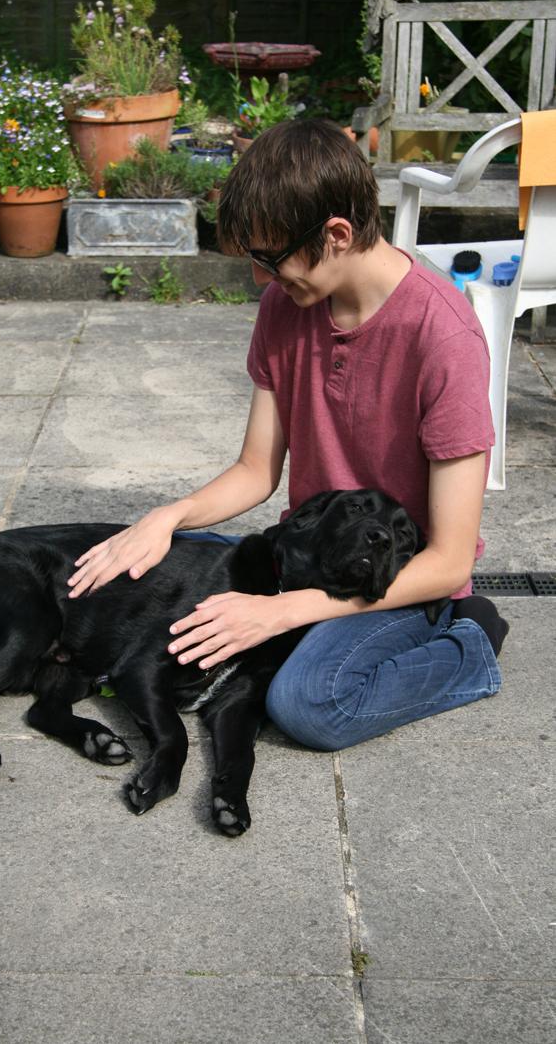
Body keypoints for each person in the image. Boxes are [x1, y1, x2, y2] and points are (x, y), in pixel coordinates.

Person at [67, 117, 508, 751]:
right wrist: (167, 517)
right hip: (307, 550)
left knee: (307, 703)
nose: (259, 281)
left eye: (269, 260)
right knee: (142, 586)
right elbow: (255, 470)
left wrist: (284, 610)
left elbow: (450, 558)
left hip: (397, 575)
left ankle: (470, 643)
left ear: (336, 234)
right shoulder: (287, 305)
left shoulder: (444, 337)